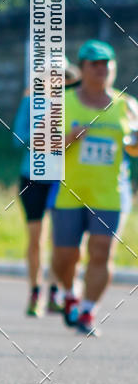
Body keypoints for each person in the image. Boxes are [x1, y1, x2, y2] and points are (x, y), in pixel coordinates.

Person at [51, 40, 138, 336]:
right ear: (83, 68)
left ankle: (88, 311)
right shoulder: (62, 102)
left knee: (101, 252)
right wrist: (69, 138)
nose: (102, 69)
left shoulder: (127, 105)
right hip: (69, 191)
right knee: (65, 256)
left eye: (107, 64)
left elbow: (136, 148)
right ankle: (68, 292)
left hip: (109, 192)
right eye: (95, 64)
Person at [12, 58, 80, 316]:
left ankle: (54, 293)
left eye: (61, 76)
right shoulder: (30, 103)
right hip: (32, 178)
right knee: (36, 239)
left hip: (62, 179)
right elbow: (18, 139)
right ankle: (34, 293)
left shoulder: (73, 105)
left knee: (60, 239)